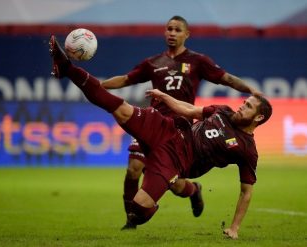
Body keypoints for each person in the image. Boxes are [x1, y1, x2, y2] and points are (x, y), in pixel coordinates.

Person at [49, 35, 272, 239]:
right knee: (117, 107)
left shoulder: (247, 149)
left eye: (249, 106)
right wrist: (165, 97)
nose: (242, 106)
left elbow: (246, 193)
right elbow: (189, 111)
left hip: (177, 161)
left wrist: (234, 228)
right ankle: (67, 67)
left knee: (139, 211)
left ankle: (179, 194)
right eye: (245, 102)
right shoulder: (224, 110)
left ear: (259, 117)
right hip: (169, 130)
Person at [100, 15, 263, 229]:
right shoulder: (152, 63)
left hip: (180, 132)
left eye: (177, 30)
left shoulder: (198, 61)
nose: (172, 33)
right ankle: (131, 220)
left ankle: (194, 191)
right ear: (164, 32)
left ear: (187, 34)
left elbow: (227, 79)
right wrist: (98, 88)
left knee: (175, 185)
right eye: (169, 29)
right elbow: (125, 79)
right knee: (134, 168)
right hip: (153, 124)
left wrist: (251, 89)